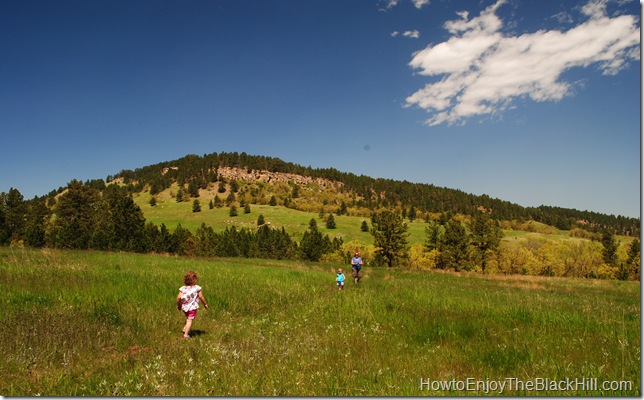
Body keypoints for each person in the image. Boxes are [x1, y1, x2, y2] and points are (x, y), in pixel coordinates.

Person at [177, 271, 209, 339]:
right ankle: (186, 335)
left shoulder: (183, 288)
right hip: (192, 307)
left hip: (184, 307)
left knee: (188, 318)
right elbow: (201, 297)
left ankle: (185, 328)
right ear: (195, 280)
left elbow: (179, 297)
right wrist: (205, 304)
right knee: (190, 320)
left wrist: (179, 305)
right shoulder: (197, 288)